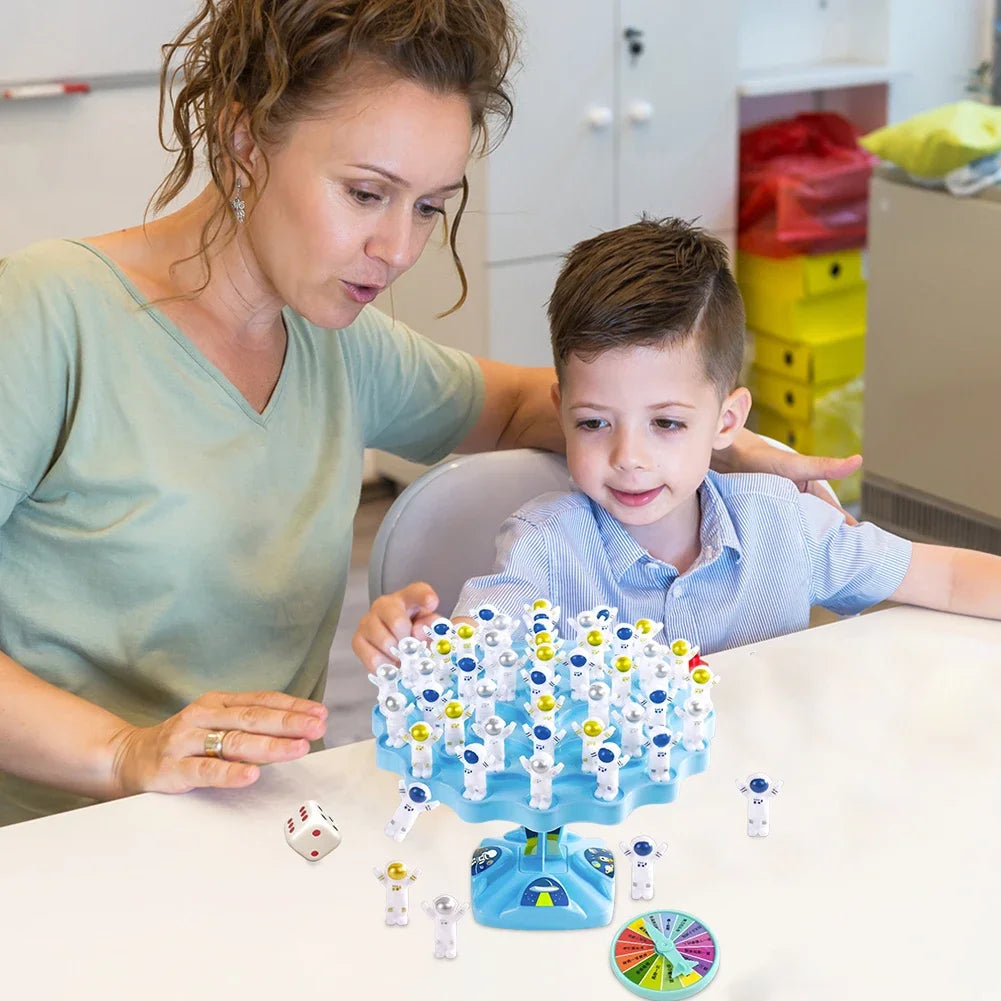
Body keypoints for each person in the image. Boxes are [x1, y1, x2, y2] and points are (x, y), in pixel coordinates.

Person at [0, 2, 853, 826]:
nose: (399, 249)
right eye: (366, 193)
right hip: (61, 842)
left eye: (429, 205)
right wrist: (124, 751)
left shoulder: (339, 344)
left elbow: (527, 404)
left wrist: (713, 446)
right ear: (242, 142)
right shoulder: (48, 314)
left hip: (268, 824)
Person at [357, 217, 1001, 660]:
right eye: (593, 423)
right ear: (560, 412)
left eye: (666, 423)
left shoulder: (782, 523)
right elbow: (477, 648)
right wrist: (419, 644)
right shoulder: (546, 545)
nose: (628, 459)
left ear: (727, 420)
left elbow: (942, 578)